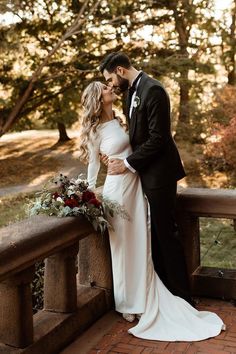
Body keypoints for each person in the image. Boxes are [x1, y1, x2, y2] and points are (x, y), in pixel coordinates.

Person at [78, 80, 225, 341]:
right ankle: (126, 304)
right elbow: (92, 169)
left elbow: (135, 149)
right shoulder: (95, 131)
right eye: (105, 88)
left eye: (108, 84)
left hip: (135, 188)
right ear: (98, 99)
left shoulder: (118, 120)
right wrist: (87, 196)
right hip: (117, 193)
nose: (110, 87)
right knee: (123, 247)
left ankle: (143, 295)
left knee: (141, 244)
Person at [99, 52, 192, 304]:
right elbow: (136, 138)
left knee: (165, 234)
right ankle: (160, 292)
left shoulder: (154, 90)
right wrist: (115, 156)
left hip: (160, 174)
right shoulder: (130, 92)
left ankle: (183, 298)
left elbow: (158, 139)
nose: (110, 85)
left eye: (110, 78)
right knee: (152, 235)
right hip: (142, 174)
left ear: (119, 70)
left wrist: (127, 164)